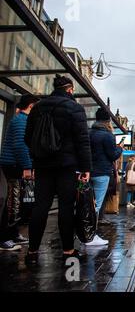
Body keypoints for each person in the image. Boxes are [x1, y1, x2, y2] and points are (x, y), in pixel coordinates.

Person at [24, 74, 92, 264]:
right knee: (66, 207)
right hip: (66, 166)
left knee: (40, 206)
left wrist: (37, 158)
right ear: (70, 89)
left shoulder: (37, 108)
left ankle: (32, 251)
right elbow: (82, 141)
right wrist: (86, 167)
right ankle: (68, 251)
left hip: (43, 165)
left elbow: (28, 138)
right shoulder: (75, 108)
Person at [0, 95, 39, 251]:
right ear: (30, 106)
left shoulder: (21, 120)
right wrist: (27, 167)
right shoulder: (21, 121)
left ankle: (13, 233)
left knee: (15, 201)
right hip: (13, 166)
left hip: (15, 165)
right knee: (11, 202)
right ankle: (4, 237)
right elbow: (20, 146)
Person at [86, 107, 123, 246]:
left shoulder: (89, 133)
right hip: (102, 173)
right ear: (108, 120)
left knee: (86, 202)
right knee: (96, 205)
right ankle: (90, 236)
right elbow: (112, 154)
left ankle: (83, 233)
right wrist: (119, 148)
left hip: (88, 172)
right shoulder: (107, 135)